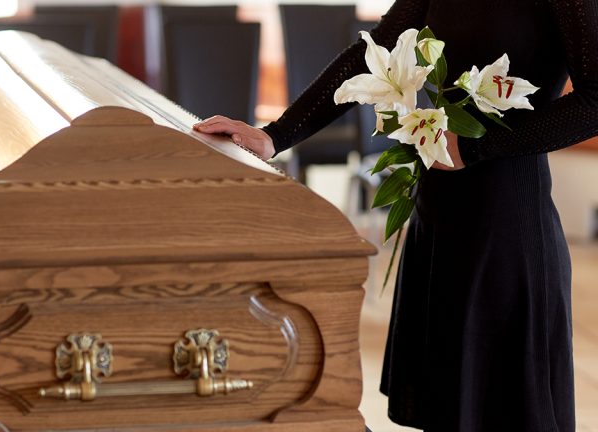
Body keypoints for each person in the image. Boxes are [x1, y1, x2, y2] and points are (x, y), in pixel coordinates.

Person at [193, 0, 598, 430]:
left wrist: (474, 145)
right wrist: (275, 136)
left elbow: (595, 102)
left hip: (507, 232)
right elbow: (371, 53)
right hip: (438, 219)